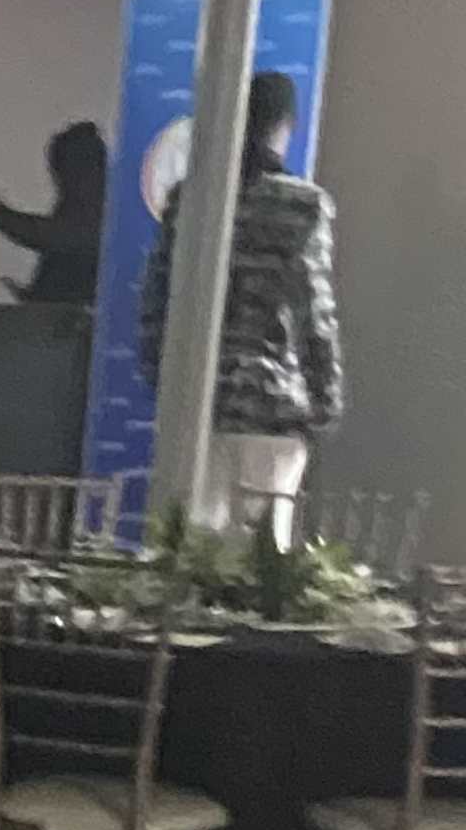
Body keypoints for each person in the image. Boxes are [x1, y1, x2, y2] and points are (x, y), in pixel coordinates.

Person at [135, 71, 341, 537]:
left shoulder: (191, 199)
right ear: (285, 126)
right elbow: (314, 312)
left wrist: (164, 384)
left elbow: (155, 300)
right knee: (260, 561)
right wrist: (324, 402)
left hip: (195, 406)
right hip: (271, 411)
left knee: (186, 553)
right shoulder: (303, 206)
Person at [0, 119, 108, 304]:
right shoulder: (95, 198)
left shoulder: (90, 200)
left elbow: (66, 237)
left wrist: (3, 216)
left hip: (69, 319)